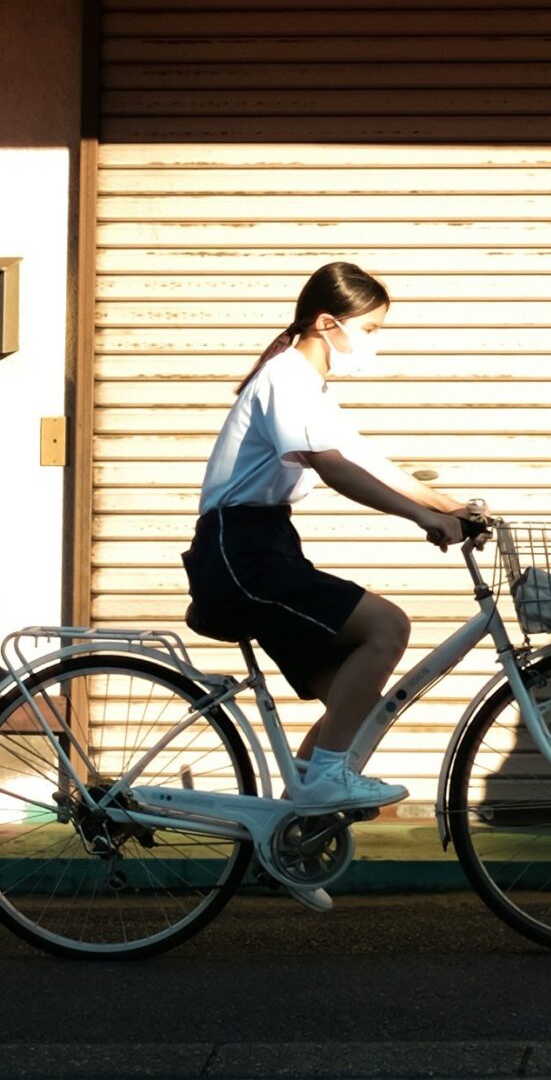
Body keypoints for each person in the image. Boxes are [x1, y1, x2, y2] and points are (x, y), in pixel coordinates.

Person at [183, 262, 482, 839]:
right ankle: (324, 779)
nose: (372, 344)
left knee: (354, 693)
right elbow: (332, 465)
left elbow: (368, 460)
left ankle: (295, 826)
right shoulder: (286, 377)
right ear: (327, 323)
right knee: (388, 627)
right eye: (368, 330)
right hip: (241, 551)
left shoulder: (306, 386)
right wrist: (422, 518)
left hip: (264, 545)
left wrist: (452, 507)